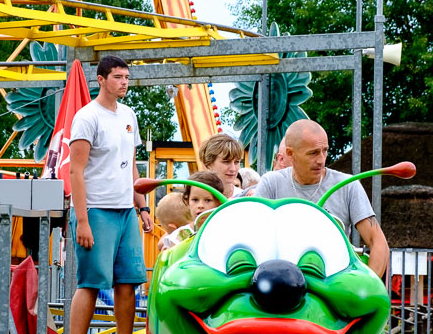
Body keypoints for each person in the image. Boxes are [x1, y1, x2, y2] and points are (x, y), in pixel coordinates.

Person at [61, 56, 153, 334]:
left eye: (127, 76)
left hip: (125, 210)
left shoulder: (129, 115)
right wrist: (82, 220)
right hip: (96, 210)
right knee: (90, 282)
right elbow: (76, 170)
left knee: (129, 283)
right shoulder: (86, 118)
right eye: (117, 76)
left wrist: (141, 207)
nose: (124, 82)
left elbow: (132, 166)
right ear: (101, 79)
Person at [254, 119, 389, 278]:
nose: (321, 160)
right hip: (281, 282)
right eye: (313, 153)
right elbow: (255, 238)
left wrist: (367, 288)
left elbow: (378, 243)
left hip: (333, 285)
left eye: (325, 150)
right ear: (290, 153)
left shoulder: (348, 185)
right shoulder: (271, 183)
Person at [159, 170, 225, 250]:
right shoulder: (178, 237)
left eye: (207, 200)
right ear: (187, 201)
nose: (200, 206)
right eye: (195, 200)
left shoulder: (223, 232)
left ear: (218, 203)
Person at [198, 133, 244, 198]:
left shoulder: (244, 198)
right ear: (209, 163)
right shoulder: (197, 198)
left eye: (237, 162)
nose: (233, 169)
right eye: (226, 162)